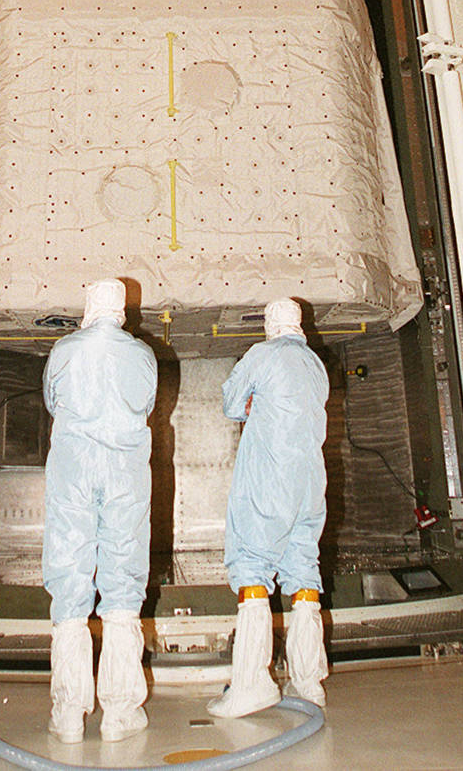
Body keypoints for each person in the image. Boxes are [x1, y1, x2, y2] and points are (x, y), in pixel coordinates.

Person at [42, 278, 158, 744]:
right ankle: (120, 712)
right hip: (126, 474)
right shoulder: (143, 355)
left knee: (69, 580)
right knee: (124, 582)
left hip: (73, 471)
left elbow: (53, 402)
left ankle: (69, 715)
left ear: (88, 307)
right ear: (123, 311)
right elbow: (146, 406)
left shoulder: (65, 351)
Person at [208, 297, 330, 718]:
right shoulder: (316, 365)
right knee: (303, 571)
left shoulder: (261, 356)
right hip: (310, 485)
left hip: (269, 482)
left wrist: (253, 406)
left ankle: (252, 685)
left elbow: (229, 403)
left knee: (252, 567)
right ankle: (309, 682)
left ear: (269, 324)